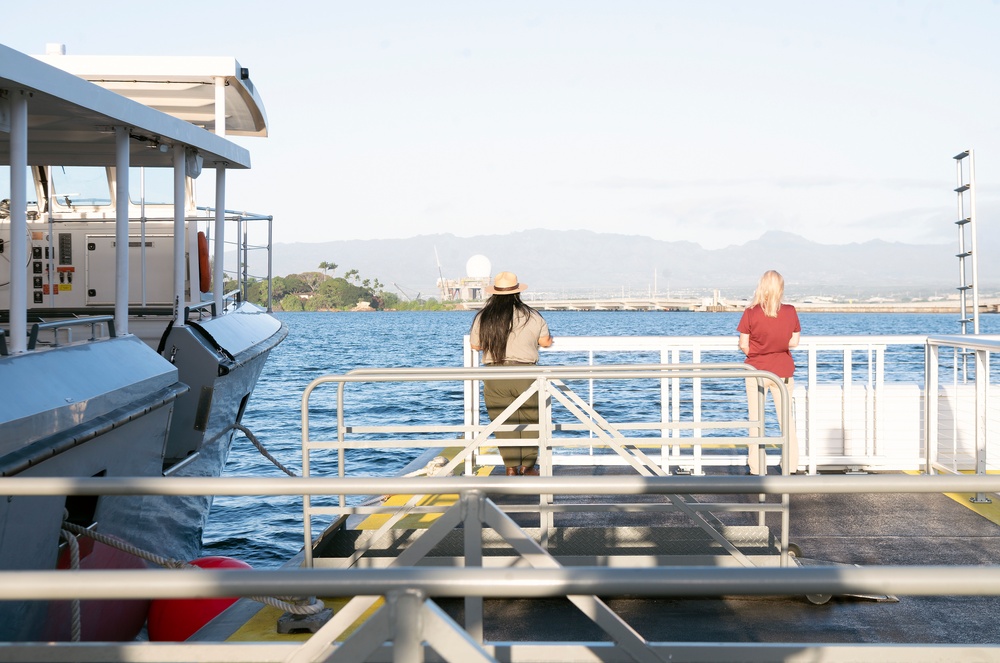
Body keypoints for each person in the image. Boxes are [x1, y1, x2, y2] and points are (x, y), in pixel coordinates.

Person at [469, 271, 554, 476]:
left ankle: (510, 467)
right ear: (517, 292)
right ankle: (528, 466)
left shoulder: (484, 316)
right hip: (525, 374)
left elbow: (475, 345)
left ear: (495, 293)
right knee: (532, 419)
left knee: (503, 422)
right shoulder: (532, 315)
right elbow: (545, 342)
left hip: (495, 375)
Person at [737, 270, 800, 475]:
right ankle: (790, 465)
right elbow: (794, 342)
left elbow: (743, 345)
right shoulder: (790, 311)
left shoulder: (751, 312)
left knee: (756, 420)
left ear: (761, 287)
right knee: (786, 421)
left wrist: (759, 351)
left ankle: (756, 467)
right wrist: (777, 346)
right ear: (780, 288)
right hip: (783, 372)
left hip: (757, 372)